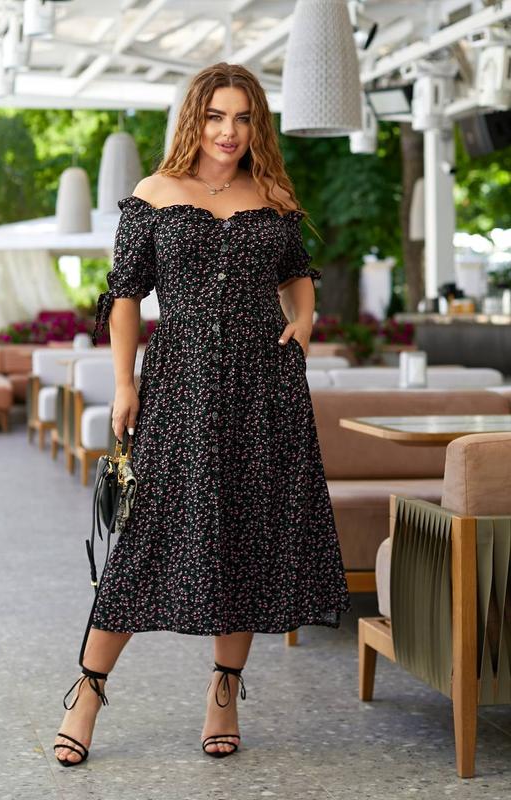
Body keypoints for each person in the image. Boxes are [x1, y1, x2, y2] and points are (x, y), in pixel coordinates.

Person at [54, 61, 351, 766]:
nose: (229, 131)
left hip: (264, 388)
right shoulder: (155, 194)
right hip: (179, 384)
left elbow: (298, 273)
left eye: (243, 118)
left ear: (257, 125)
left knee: (246, 536)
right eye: (216, 116)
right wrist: (123, 385)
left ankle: (224, 692)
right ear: (195, 118)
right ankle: (88, 691)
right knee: (145, 537)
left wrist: (304, 319)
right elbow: (125, 297)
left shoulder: (272, 194)